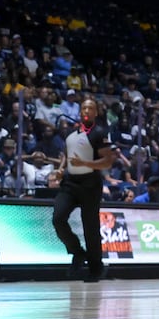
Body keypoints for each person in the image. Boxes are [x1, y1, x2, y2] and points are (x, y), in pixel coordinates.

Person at [50, 96, 115, 282]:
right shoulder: (71, 134)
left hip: (90, 184)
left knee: (90, 227)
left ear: (95, 113)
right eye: (84, 108)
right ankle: (77, 252)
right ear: (80, 112)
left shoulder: (99, 133)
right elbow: (67, 155)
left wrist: (85, 163)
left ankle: (96, 267)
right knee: (58, 218)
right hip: (70, 183)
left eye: (90, 109)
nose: (87, 111)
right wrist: (61, 169)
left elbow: (107, 161)